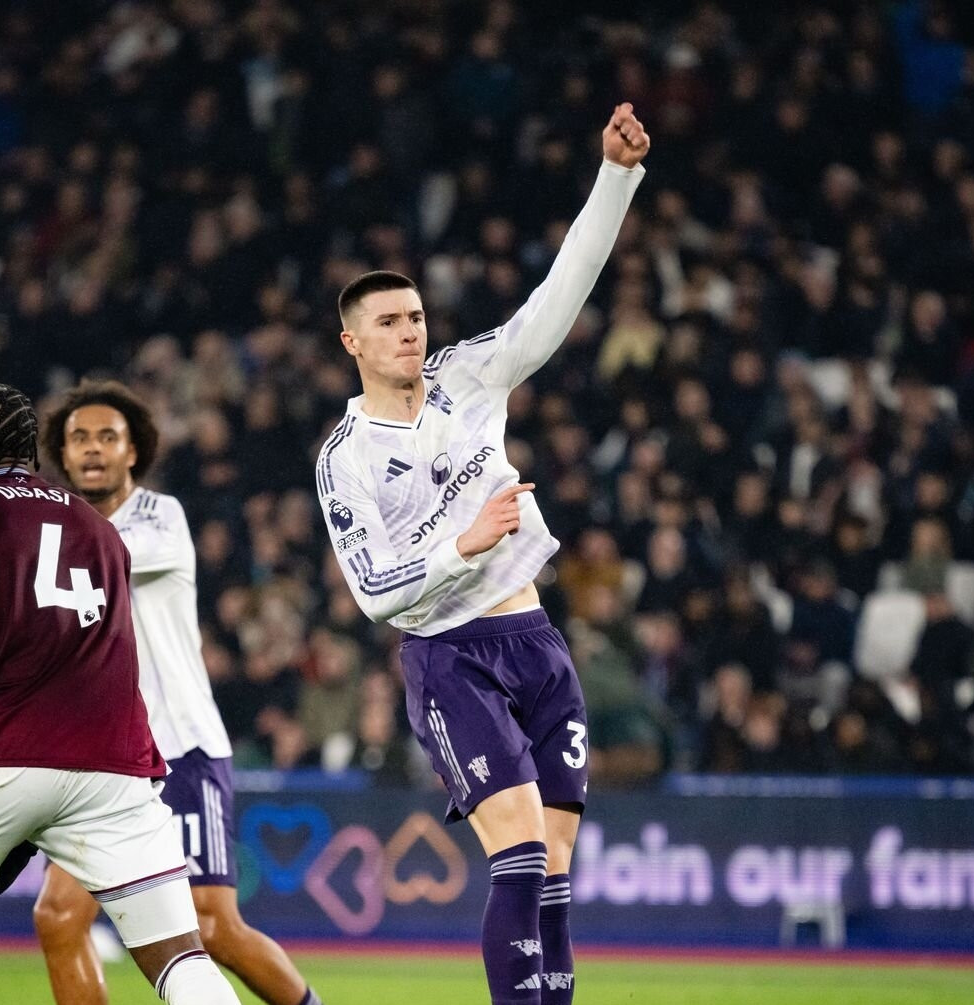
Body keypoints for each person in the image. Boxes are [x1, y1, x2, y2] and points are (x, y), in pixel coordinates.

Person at [312, 104, 649, 1005]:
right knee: (522, 849)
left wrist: (615, 177)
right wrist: (463, 544)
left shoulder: (469, 377)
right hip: (451, 656)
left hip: (536, 639)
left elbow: (559, 296)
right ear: (352, 342)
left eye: (416, 316)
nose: (410, 331)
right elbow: (374, 591)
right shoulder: (346, 458)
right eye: (389, 321)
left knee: (558, 868)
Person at [0, 380, 238, 1005]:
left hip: (2, 750)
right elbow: (120, 662)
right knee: (179, 956)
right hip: (118, 770)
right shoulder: (99, 528)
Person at [33, 379, 320, 1005]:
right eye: (79, 438)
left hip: (178, 748)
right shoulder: (50, 534)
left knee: (213, 927)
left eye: (107, 437)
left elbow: (104, 558)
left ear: (132, 451)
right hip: (97, 762)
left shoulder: (159, 516)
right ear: (62, 452)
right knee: (58, 916)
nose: (92, 448)